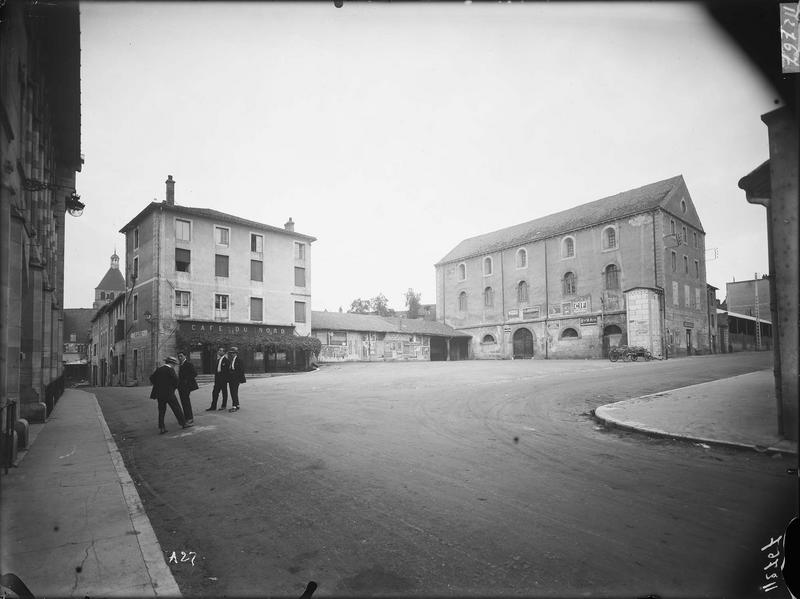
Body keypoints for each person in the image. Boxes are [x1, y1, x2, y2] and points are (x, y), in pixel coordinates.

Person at [149, 356, 188, 434]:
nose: (174, 365)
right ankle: (183, 423)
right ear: (171, 363)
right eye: (174, 364)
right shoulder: (170, 370)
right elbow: (176, 380)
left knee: (161, 410)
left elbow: (151, 378)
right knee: (176, 408)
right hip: (169, 393)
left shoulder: (159, 369)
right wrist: (172, 388)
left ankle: (162, 427)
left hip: (160, 394)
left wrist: (158, 385)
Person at [176, 351, 198, 425]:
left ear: (185, 356)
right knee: (183, 402)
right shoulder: (180, 365)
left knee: (186, 402)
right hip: (181, 386)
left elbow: (194, 373)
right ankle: (186, 417)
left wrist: (186, 380)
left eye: (181, 356)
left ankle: (190, 418)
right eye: (178, 356)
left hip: (186, 386)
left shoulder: (188, 364)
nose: (179, 358)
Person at [207, 347, 230, 411]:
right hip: (217, 379)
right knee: (215, 393)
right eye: (219, 350)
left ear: (224, 352)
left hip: (223, 379)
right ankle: (213, 406)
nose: (219, 351)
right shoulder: (218, 360)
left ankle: (223, 406)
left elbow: (228, 371)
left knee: (224, 393)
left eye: (221, 350)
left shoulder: (226, 360)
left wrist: (226, 379)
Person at [226, 347, 246, 412]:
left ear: (236, 353)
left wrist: (240, 379)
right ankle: (237, 404)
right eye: (231, 353)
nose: (232, 354)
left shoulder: (239, 360)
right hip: (231, 378)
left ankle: (234, 406)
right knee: (233, 392)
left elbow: (241, 370)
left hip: (236, 379)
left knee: (234, 392)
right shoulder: (231, 360)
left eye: (233, 353)